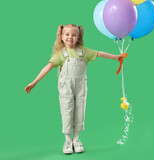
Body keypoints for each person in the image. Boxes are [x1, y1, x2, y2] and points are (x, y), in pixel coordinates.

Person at [24, 24, 124, 154]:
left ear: (78, 37)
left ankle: (76, 139)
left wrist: (116, 57)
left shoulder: (83, 51)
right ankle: (67, 141)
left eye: (73, 35)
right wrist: (34, 82)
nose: (70, 37)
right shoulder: (61, 54)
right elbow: (47, 68)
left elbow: (99, 53)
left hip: (81, 86)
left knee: (79, 111)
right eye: (67, 34)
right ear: (61, 37)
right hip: (66, 87)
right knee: (67, 110)